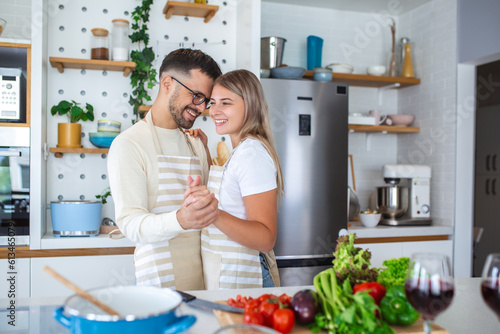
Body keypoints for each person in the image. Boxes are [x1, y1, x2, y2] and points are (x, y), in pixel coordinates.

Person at [107, 48, 222, 290]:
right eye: (196, 96)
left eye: (206, 101)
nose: (201, 108)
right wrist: (181, 219)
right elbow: (130, 223)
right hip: (159, 280)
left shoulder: (195, 143)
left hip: (206, 277)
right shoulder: (129, 144)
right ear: (167, 83)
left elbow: (213, 208)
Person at [185, 69, 284, 289]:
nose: (214, 111)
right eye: (212, 103)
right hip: (230, 277)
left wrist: (212, 212)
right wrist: (205, 152)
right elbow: (232, 196)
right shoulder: (240, 152)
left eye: (226, 103)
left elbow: (266, 238)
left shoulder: (252, 154)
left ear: (249, 105)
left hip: (246, 279)